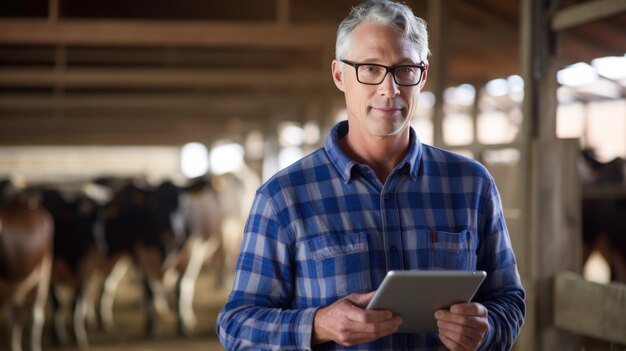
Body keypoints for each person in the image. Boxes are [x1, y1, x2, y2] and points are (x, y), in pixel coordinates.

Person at [216, 0, 525, 350]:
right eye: (370, 68)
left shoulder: (472, 185)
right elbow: (235, 326)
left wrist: (486, 329)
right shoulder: (283, 197)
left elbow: (509, 299)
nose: (389, 89)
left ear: (422, 75)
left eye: (404, 70)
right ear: (339, 75)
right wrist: (317, 325)